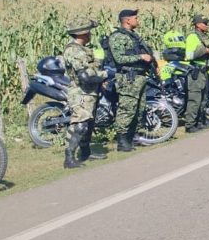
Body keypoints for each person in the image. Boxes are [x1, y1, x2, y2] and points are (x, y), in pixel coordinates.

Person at [61, 17, 108, 168]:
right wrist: (104, 75)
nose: (90, 34)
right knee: (80, 124)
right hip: (80, 92)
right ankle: (69, 157)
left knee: (89, 123)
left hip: (90, 92)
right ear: (82, 33)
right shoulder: (74, 50)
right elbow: (85, 76)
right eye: (88, 31)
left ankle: (85, 152)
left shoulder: (83, 49)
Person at [107, 9, 155, 152]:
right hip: (128, 78)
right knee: (127, 110)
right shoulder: (118, 37)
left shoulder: (134, 36)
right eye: (135, 18)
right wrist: (140, 57)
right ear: (127, 20)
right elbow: (119, 59)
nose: (138, 20)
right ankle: (122, 142)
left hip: (139, 77)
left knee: (138, 110)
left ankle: (130, 139)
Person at [184, 14, 209, 133]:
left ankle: (199, 122)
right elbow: (189, 55)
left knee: (203, 99)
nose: (207, 25)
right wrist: (205, 50)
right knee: (195, 99)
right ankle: (190, 124)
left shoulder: (203, 37)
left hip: (204, 71)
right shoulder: (193, 37)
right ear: (197, 24)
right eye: (205, 23)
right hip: (196, 72)